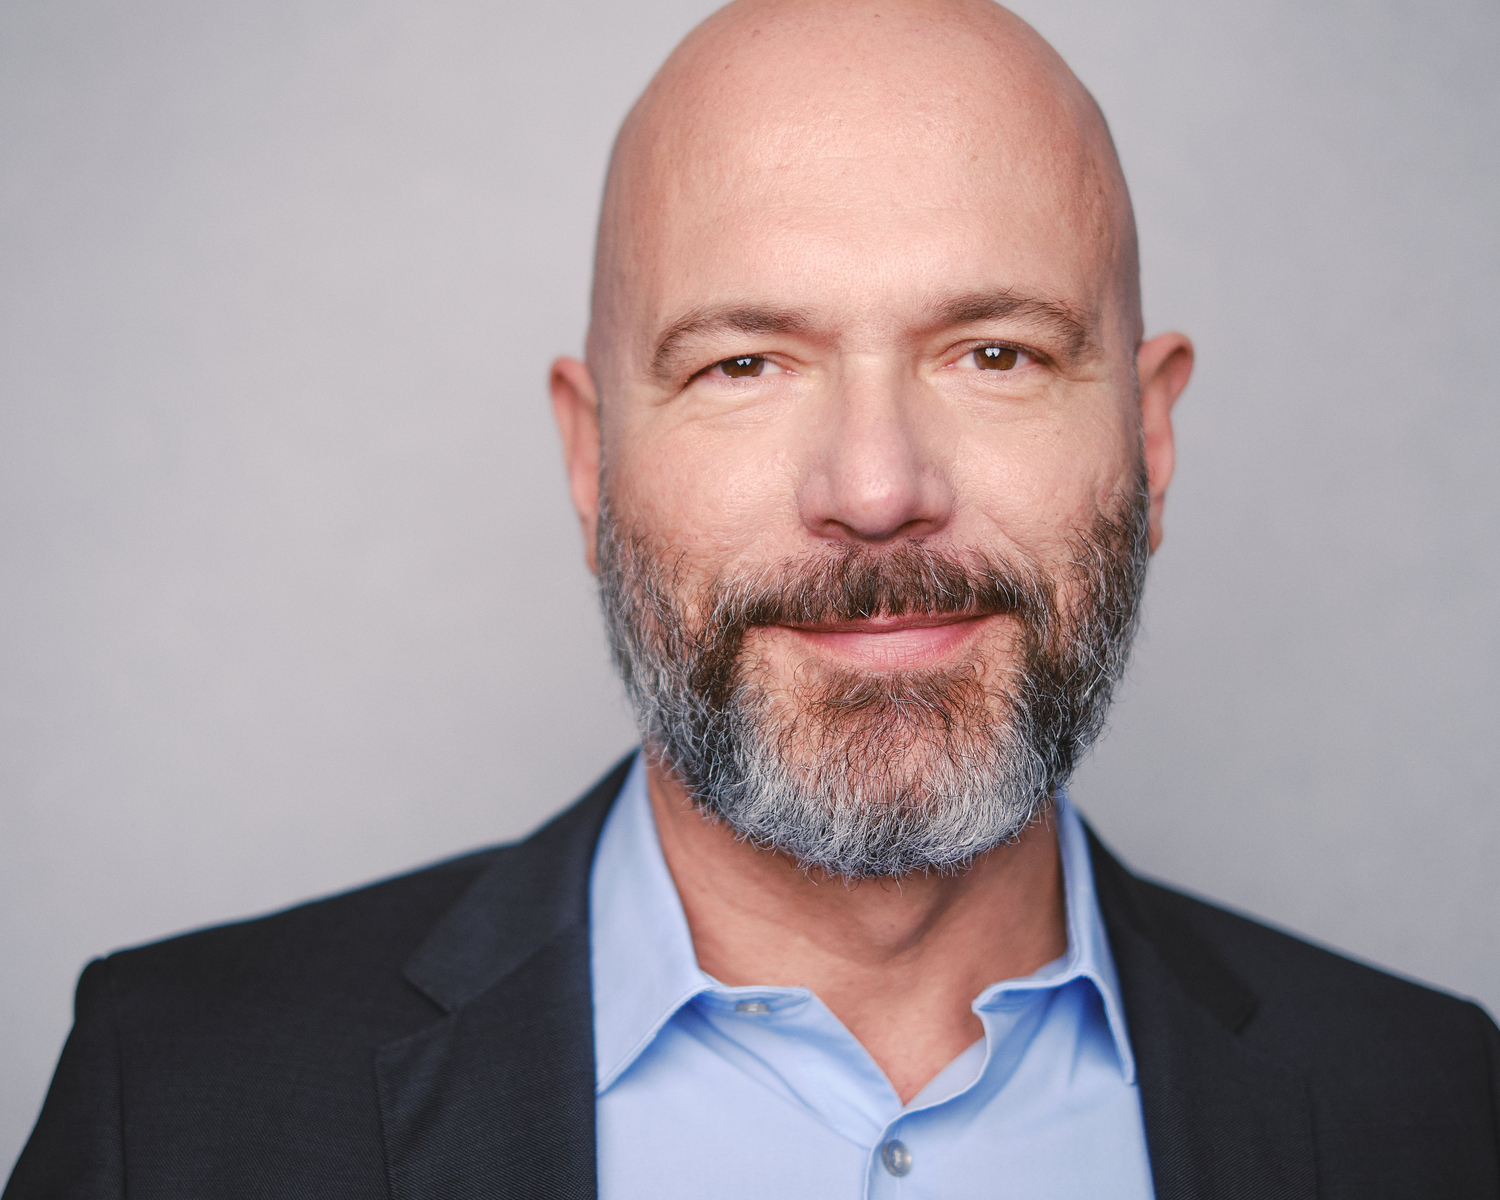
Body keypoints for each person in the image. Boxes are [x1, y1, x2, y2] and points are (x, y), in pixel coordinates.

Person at [8, 0, 1498, 1196]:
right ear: (592, 459)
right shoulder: (177, 1102)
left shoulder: (1434, 1111)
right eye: (744, 363)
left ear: (1149, 440)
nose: (876, 486)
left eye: (995, 353)